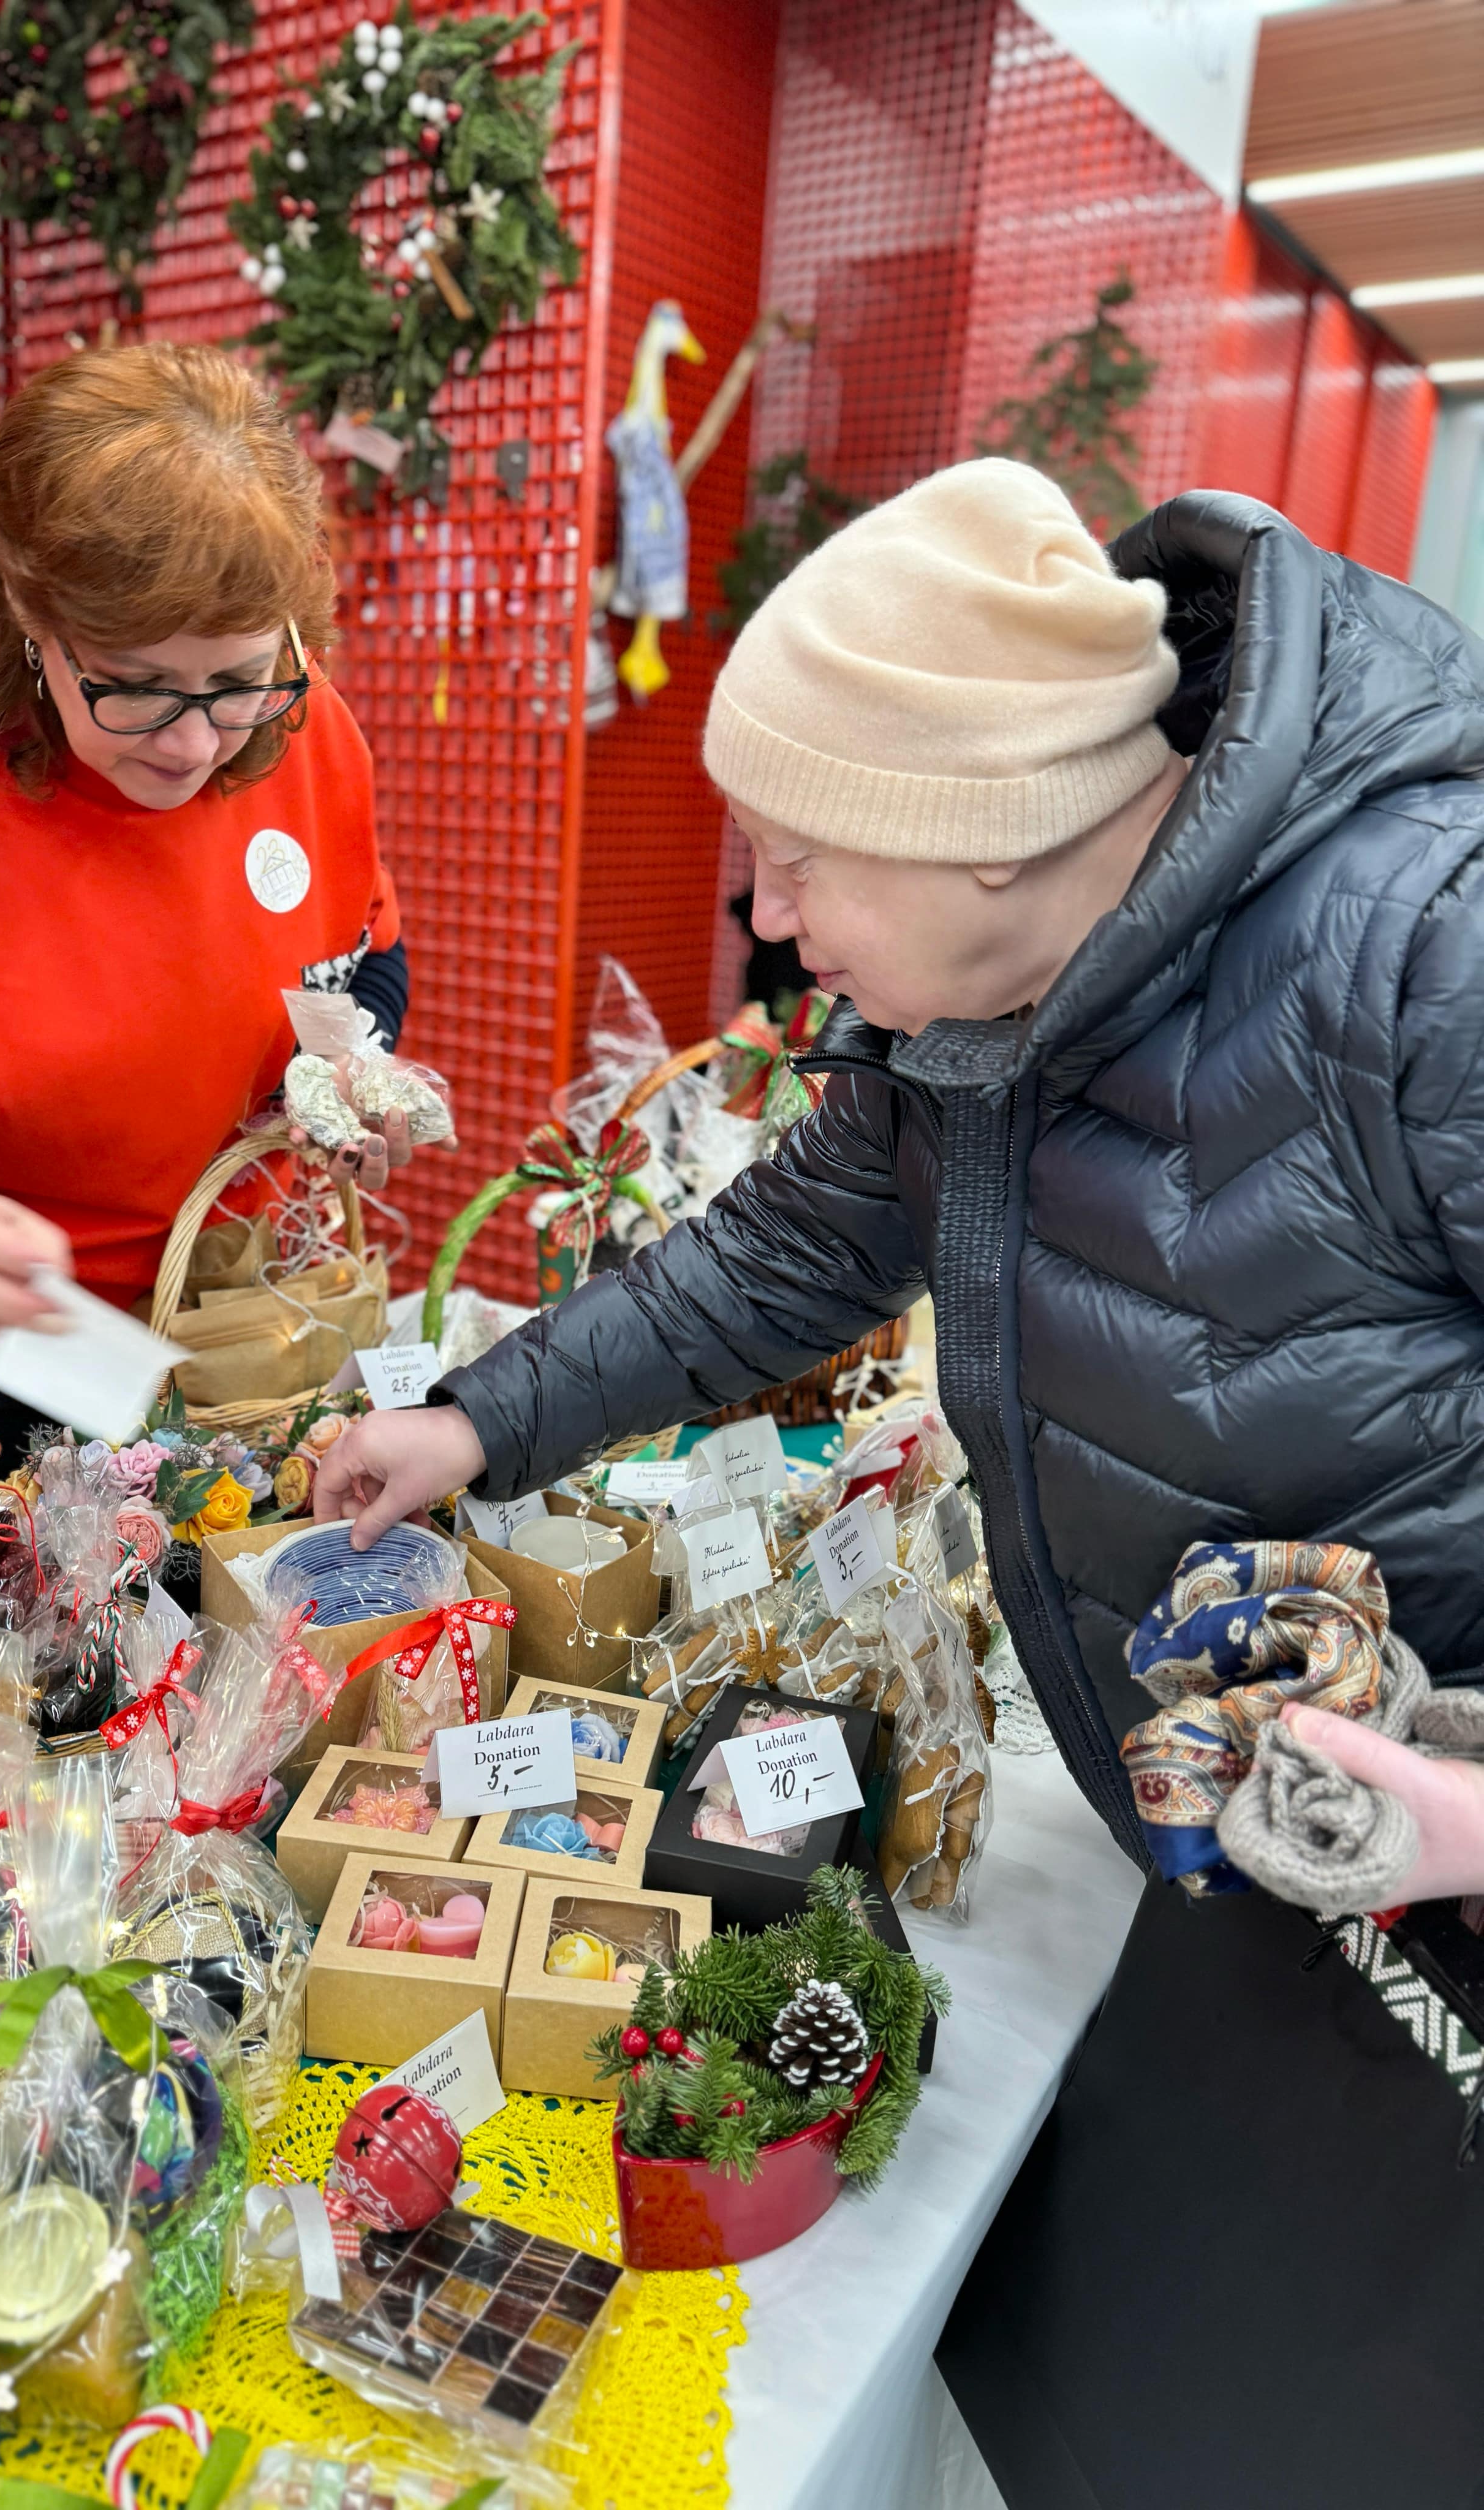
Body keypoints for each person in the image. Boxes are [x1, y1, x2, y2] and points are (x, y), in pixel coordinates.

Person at [317, 458, 1484, 2506]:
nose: (763, 919)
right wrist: (482, 1419)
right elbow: (779, 1252)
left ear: (982, 827)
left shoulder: (1427, 953)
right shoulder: (974, 1024)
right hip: (1262, 1852)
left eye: (793, 861)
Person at [0, 343, 416, 1575]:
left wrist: (356, 1068)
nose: (196, 742)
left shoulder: (304, 724)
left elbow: (361, 956)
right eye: (137, 687)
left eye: (238, 679)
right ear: (31, 619)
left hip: (198, 1327)